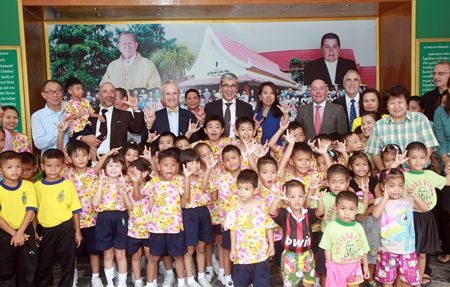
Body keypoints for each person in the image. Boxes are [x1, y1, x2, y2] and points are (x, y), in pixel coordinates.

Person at [372, 168, 429, 287]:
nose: (396, 189)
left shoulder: (407, 201)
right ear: (383, 187)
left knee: (407, 281)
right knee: (387, 281)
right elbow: (376, 214)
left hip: (407, 250)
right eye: (392, 186)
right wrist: (385, 198)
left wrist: (415, 196)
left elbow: (425, 208)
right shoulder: (380, 201)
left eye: (400, 186)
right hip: (387, 249)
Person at [140, 148, 188, 287]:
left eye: (173, 165)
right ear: (159, 166)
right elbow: (139, 196)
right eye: (166, 165)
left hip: (174, 227)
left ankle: (181, 282)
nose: (170, 168)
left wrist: (187, 177)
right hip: (157, 228)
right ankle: (150, 283)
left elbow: (184, 201)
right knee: (153, 257)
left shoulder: (179, 181)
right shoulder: (153, 183)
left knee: (178, 256)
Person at [34, 149, 82, 287]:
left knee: (67, 264)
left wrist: (77, 231)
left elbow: (75, 209)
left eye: (57, 166)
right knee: (44, 264)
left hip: (65, 228)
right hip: (45, 229)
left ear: (63, 167)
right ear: (42, 166)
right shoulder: (36, 187)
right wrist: (35, 231)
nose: (53, 169)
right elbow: (33, 212)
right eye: (49, 166)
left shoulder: (67, 185)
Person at [404, 142, 450, 286]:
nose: (418, 161)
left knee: (423, 252)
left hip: (427, 217)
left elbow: (447, 182)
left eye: (422, 158)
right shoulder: (404, 176)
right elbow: (388, 180)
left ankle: (417, 280)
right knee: (410, 252)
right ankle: (407, 278)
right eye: (414, 157)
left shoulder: (430, 174)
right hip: (411, 217)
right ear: (406, 159)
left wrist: (448, 170)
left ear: (427, 159)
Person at [365, 85, 438, 171]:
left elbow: (429, 146)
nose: (396, 106)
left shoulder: (419, 119)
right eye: (392, 103)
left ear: (407, 104)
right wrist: (385, 173)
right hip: (393, 176)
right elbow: (375, 153)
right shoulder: (379, 125)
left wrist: (418, 167)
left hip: (419, 172)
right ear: (386, 107)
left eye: (400, 102)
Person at [224, 169, 277, 287]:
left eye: (247, 189)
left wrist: (272, 246)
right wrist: (233, 249)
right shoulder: (234, 208)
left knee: (262, 283)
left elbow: (269, 226)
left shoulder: (262, 206)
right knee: (241, 283)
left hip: (260, 255)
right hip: (242, 256)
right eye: (239, 188)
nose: (242, 192)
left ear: (255, 190)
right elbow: (232, 230)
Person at [269, 180, 325, 287]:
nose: (297, 200)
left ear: (304, 197)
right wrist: (277, 199)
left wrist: (320, 201)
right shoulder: (284, 214)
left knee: (309, 282)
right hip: (290, 256)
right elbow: (271, 212)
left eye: (300, 196)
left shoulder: (308, 214)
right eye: (292, 196)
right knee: (291, 283)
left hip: (307, 255)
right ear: (286, 199)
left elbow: (321, 212)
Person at [92, 153, 133, 287]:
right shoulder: (99, 182)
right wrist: (101, 185)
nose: (113, 168)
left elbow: (129, 206)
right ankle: (110, 283)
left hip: (120, 217)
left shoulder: (126, 182)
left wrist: (123, 191)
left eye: (117, 165)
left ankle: (122, 283)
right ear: (105, 168)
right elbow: (95, 203)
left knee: (120, 253)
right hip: (104, 218)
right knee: (108, 253)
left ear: (122, 167)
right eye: (110, 165)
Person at [0, 151, 38, 286]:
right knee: (5, 269)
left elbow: (31, 209)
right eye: (9, 167)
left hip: (25, 230)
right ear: (1, 169)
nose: (14, 171)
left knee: (28, 268)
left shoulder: (28, 186)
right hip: (5, 233)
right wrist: (14, 234)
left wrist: (20, 232)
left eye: (18, 166)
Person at [180, 148, 216, 287]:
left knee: (201, 247)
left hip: (203, 212)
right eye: (190, 162)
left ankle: (201, 276)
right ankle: (190, 278)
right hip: (189, 214)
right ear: (183, 164)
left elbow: (203, 188)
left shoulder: (202, 174)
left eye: (196, 162)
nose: (194, 165)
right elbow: (185, 199)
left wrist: (208, 170)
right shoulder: (180, 179)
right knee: (189, 249)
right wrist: (188, 178)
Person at [319, 191, 370, 287]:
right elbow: (327, 248)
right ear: (336, 208)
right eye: (343, 208)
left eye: (351, 209)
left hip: (355, 266)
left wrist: (366, 266)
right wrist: (330, 265)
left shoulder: (358, 227)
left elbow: (364, 248)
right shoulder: (331, 227)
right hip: (337, 267)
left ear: (356, 210)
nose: (347, 213)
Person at [82, 82, 145, 157]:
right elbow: (75, 133)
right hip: (91, 160)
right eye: (105, 92)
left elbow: (138, 129)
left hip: (116, 162)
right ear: (99, 95)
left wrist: (135, 108)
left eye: (112, 92)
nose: (109, 95)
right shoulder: (89, 113)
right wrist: (82, 138)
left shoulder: (124, 115)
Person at [204, 73, 253, 138]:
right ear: (221, 87)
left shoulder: (247, 108)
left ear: (237, 88)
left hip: (239, 146)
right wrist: (201, 122)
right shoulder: (210, 107)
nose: (229, 89)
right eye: (226, 85)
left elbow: (249, 132)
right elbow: (204, 133)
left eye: (233, 86)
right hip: (216, 146)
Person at [433, 85, 450, 264]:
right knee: (445, 209)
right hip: (449, 162)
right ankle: (447, 248)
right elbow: (441, 141)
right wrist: (446, 160)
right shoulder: (441, 111)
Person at [32, 80, 69, 153]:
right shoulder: (38, 116)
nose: (55, 95)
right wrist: (59, 132)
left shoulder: (71, 110)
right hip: (51, 161)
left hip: (75, 159)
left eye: (58, 91)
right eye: (51, 92)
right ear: (43, 95)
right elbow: (39, 143)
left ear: (62, 93)